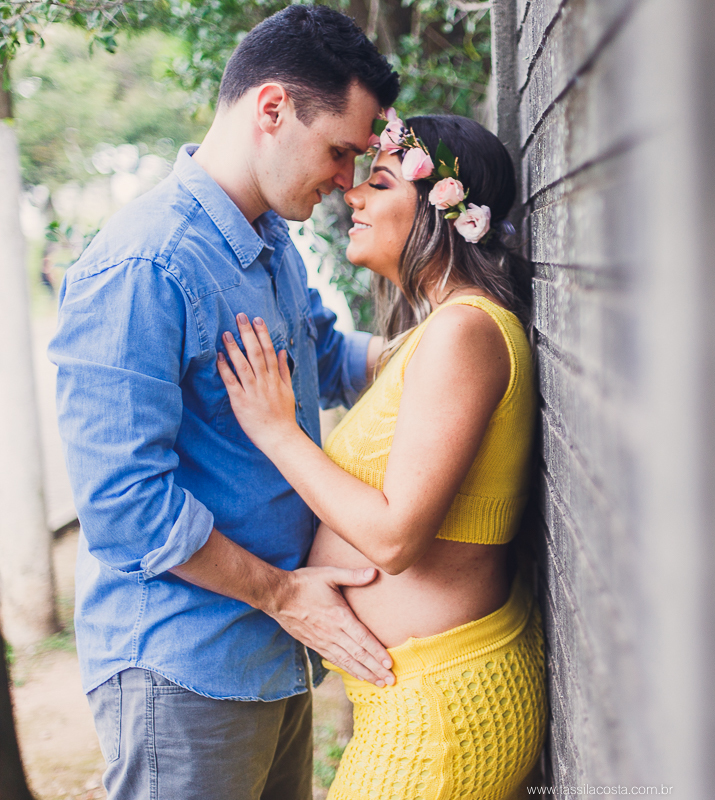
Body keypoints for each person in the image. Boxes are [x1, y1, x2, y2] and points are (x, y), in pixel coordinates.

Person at [48, 6, 401, 799]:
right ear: (271, 108)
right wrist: (283, 595)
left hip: (275, 653)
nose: (347, 181)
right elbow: (122, 505)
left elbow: (320, 357)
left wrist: (435, 352)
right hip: (183, 669)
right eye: (340, 152)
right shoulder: (143, 264)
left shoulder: (269, 241)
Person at [217, 113, 546, 799]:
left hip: (437, 712)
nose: (352, 197)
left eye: (381, 182)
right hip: (422, 697)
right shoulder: (442, 333)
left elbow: (395, 539)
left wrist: (278, 432)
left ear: (439, 211)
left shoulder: (465, 331)